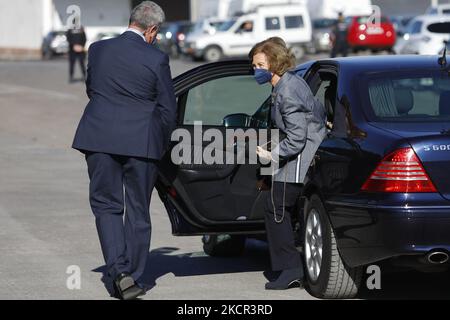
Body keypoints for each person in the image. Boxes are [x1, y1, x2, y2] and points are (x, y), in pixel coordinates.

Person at [72, 1, 177, 300]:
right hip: (141, 143)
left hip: (98, 138)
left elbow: (92, 89)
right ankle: (131, 275)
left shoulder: (98, 49)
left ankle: (117, 271)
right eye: (156, 33)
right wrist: (162, 143)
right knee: (138, 211)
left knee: (106, 207)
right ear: (152, 29)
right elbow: (168, 110)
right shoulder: (157, 59)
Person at [250, 37, 327, 290]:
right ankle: (288, 266)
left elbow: (296, 137)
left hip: (297, 161)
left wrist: (271, 155)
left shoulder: (288, 90)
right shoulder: (286, 84)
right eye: (254, 65)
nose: (256, 70)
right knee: (277, 209)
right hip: (292, 159)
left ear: (275, 63)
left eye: (260, 65)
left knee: (277, 210)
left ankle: (290, 269)